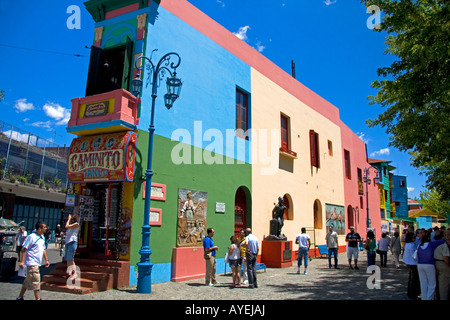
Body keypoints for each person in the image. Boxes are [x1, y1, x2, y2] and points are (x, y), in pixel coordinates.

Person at [16, 221, 50, 300]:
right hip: (32, 263)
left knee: (27, 281)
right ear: (39, 228)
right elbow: (24, 249)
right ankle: (38, 299)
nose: (46, 228)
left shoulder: (42, 237)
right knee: (36, 281)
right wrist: (22, 261)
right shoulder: (31, 237)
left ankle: (20, 297)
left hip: (37, 263)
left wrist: (46, 259)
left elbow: (43, 249)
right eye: (44, 227)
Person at [413, 229, 445, 300]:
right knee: (432, 284)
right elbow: (442, 241)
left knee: (423, 283)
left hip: (420, 265)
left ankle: (424, 298)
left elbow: (415, 257)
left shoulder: (419, 246)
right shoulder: (431, 244)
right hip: (429, 264)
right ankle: (429, 298)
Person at [403, 232, 420, 299]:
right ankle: (413, 293)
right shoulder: (412, 245)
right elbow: (414, 255)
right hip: (413, 263)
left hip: (409, 262)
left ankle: (410, 292)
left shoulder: (407, 244)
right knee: (414, 279)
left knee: (411, 278)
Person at [433, 229, 449, 300]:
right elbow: (445, 258)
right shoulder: (445, 245)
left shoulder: (437, 244)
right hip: (443, 265)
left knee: (442, 285)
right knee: (443, 286)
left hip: (439, 266)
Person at [64, 214, 79, 279]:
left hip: (72, 241)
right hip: (68, 242)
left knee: (71, 258)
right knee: (68, 258)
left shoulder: (76, 224)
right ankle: (69, 272)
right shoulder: (70, 227)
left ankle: (75, 273)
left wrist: (68, 219)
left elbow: (66, 226)